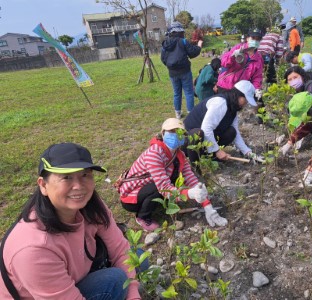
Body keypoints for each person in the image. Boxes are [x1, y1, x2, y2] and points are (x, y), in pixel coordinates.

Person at [0, 143, 142, 299]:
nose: (78, 186)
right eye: (66, 177)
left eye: (85, 175)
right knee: (115, 280)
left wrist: (133, 295)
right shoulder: (33, 249)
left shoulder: (89, 205)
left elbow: (121, 249)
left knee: (139, 258)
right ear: (43, 185)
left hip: (75, 275)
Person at [118, 118, 227, 231]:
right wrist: (190, 193)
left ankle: (157, 204)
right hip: (132, 196)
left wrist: (207, 205)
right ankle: (142, 216)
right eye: (171, 132)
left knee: (175, 178)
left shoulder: (179, 154)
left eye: (179, 133)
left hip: (151, 186)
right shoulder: (154, 153)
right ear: (163, 133)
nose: (175, 135)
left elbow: (190, 177)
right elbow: (164, 188)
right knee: (159, 188)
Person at [184, 80, 264, 164]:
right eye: (246, 100)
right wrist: (217, 150)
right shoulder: (220, 103)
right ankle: (195, 165)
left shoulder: (233, 108)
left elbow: (236, 133)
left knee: (231, 132)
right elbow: (206, 128)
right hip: (188, 142)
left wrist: (248, 153)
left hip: (204, 140)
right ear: (238, 95)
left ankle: (211, 157)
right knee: (197, 133)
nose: (246, 103)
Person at [161, 21, 203, 119]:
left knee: (176, 93)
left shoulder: (165, 43)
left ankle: (178, 114)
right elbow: (192, 53)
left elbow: (163, 58)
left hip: (172, 73)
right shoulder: (183, 41)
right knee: (188, 92)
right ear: (180, 31)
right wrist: (199, 46)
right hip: (185, 71)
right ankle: (190, 114)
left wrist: (170, 67)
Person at [216, 29, 264, 101]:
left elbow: (257, 76)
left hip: (240, 89)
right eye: (253, 38)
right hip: (225, 85)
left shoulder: (258, 58)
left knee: (234, 110)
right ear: (247, 38)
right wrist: (232, 56)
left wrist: (256, 88)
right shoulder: (238, 48)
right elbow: (224, 63)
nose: (255, 41)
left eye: (258, 39)